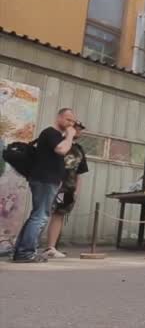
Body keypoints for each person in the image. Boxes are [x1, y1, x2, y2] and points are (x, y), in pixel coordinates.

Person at [13, 108, 76, 263]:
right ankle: (26, 253)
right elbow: (62, 150)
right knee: (40, 216)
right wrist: (70, 136)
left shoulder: (54, 135)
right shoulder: (51, 133)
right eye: (68, 120)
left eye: (73, 121)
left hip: (46, 180)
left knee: (37, 214)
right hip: (45, 180)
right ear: (59, 117)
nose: (71, 124)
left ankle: (21, 251)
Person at [42, 121, 89, 258]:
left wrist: (76, 191)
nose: (79, 132)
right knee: (42, 212)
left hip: (68, 188)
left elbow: (80, 173)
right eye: (77, 129)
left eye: (80, 129)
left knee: (59, 214)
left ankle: (51, 247)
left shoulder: (79, 149)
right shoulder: (58, 142)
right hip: (53, 184)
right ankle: (29, 245)